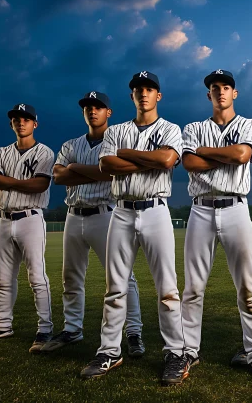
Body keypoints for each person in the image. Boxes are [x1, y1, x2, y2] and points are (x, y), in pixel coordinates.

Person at [79, 72, 188, 385]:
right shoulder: (117, 130)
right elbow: (106, 165)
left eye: (150, 89)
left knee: (167, 289)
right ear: (132, 96)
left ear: (158, 96)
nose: (143, 93)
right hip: (122, 212)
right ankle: (109, 351)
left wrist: (127, 155)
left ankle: (175, 353)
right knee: (115, 288)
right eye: (138, 89)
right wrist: (148, 160)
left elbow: (168, 159)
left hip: (156, 210)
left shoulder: (169, 128)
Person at [180, 69, 252, 383]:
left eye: (226, 86)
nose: (220, 91)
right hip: (201, 210)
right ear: (208, 94)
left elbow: (242, 154)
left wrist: (207, 153)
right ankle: (188, 351)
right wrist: (224, 155)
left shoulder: (249, 124)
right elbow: (189, 163)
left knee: (248, 288)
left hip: (236, 208)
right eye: (214, 87)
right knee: (193, 288)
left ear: (234, 93)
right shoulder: (194, 127)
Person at [42, 91, 144, 354]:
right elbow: (59, 177)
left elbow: (111, 173)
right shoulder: (71, 145)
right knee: (71, 277)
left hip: (106, 214)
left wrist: (75, 168)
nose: (92, 110)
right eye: (88, 106)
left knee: (122, 278)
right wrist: (94, 173)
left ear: (108, 112)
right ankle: (72, 329)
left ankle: (133, 332)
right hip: (74, 216)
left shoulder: (116, 141)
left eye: (98, 107)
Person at [0, 104, 56, 352]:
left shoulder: (45, 152)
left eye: (26, 119)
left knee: (37, 277)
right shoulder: (1, 152)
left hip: (31, 218)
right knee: (3, 278)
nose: (21, 122)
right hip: (4, 219)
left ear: (34, 124)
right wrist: (21, 183)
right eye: (16, 119)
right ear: (11, 124)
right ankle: (1, 325)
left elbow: (39, 185)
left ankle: (45, 329)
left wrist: (9, 182)